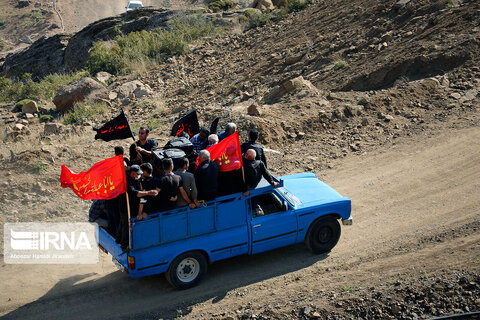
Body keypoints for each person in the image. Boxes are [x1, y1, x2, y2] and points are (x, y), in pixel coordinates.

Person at [118, 165, 158, 250]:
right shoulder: (127, 182)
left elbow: (141, 193)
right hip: (125, 208)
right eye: (137, 174)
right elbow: (136, 193)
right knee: (125, 226)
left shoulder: (137, 181)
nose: (139, 175)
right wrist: (149, 192)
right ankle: (124, 245)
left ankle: (121, 239)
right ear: (132, 173)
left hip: (132, 207)